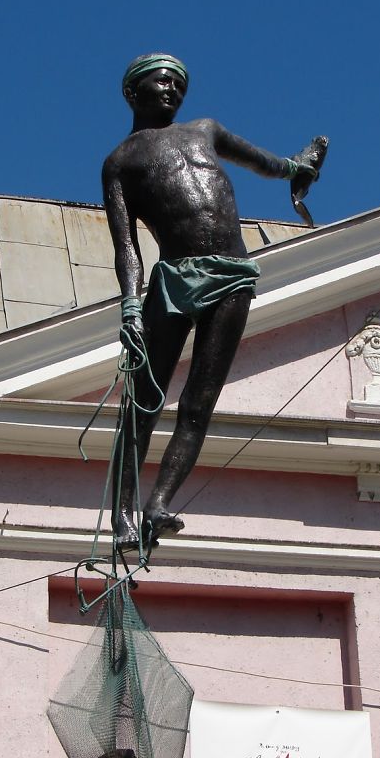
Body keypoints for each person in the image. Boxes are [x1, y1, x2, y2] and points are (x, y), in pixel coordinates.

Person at [102, 53, 324, 547]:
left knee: (200, 403)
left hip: (234, 274)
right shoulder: (119, 163)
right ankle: (121, 516)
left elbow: (260, 160)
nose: (172, 91)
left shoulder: (205, 129)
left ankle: (158, 504)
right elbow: (127, 247)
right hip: (175, 279)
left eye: (179, 85)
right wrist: (131, 307)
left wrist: (295, 167)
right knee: (144, 401)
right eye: (162, 83)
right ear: (133, 93)